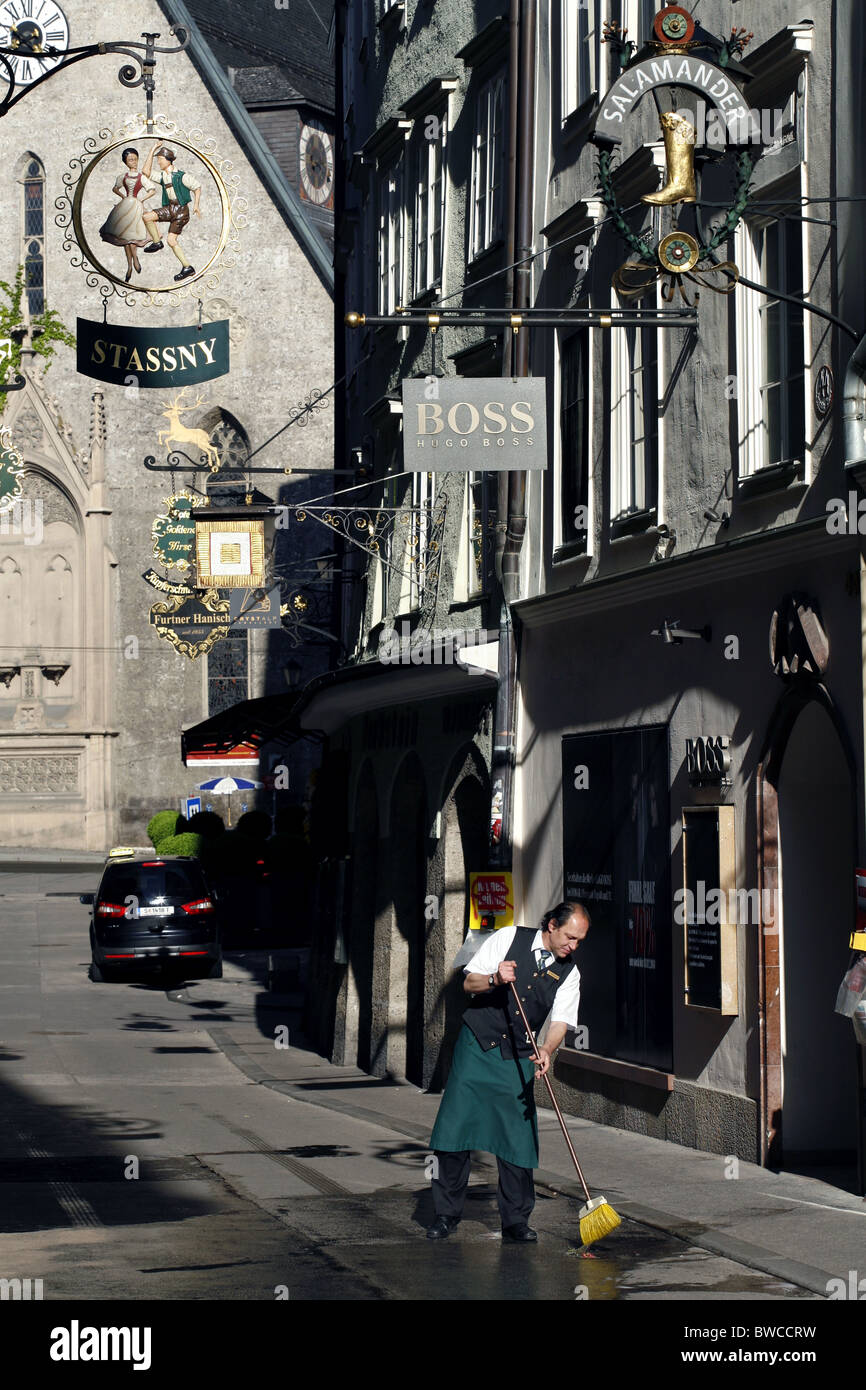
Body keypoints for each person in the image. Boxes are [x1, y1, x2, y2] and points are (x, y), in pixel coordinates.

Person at [427, 900, 590, 1243]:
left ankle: (515, 1220)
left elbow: (561, 1020)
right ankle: (445, 1213)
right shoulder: (508, 938)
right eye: (570, 938)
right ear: (552, 926)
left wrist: (547, 1049)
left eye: (579, 941)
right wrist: (494, 978)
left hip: (518, 1054)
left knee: (517, 1138)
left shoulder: (569, 973)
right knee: (455, 1131)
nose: (573, 947)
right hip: (477, 1046)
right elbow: (468, 984)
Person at [140, 144, 202, 281]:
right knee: (147, 217)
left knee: (171, 240)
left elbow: (197, 187)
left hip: (180, 211)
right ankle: (157, 242)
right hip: (170, 208)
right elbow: (146, 171)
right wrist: (152, 150)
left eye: (160, 159)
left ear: (168, 159)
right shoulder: (163, 176)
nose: (158, 162)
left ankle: (187, 267)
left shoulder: (182, 176)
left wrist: (196, 205)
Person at [97, 148, 157, 283]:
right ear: (126, 162)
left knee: (132, 237)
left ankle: (134, 260)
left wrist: (142, 199)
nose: (133, 162)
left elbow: (152, 190)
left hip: (136, 206)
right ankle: (130, 265)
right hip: (125, 205)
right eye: (130, 160)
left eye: (135, 159)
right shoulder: (123, 176)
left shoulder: (141, 177)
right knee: (125, 238)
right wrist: (123, 196)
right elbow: (115, 188)